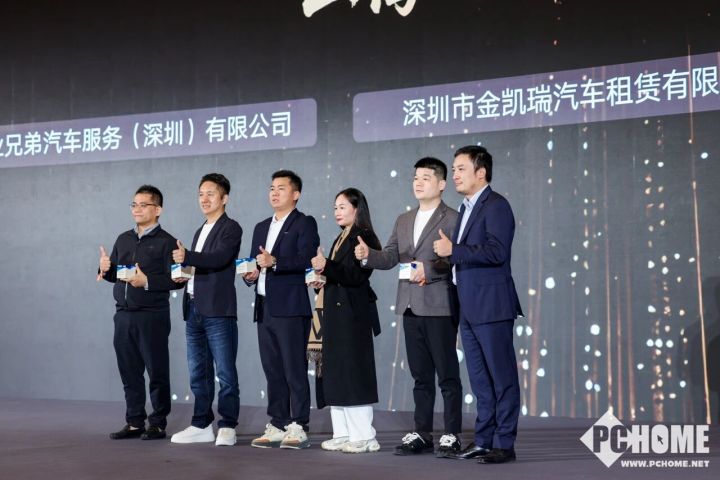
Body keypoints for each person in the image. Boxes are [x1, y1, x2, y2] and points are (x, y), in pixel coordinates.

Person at [354, 158, 462, 457]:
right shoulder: (404, 219)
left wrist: (431, 269)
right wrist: (367, 255)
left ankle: (452, 433)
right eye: (416, 177)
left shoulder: (453, 218)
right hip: (410, 305)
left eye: (426, 177)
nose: (418, 182)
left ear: (442, 184)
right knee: (420, 375)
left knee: (447, 375)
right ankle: (423, 432)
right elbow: (390, 256)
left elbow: (457, 260)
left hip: (439, 305)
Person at [433, 145, 523, 464]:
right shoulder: (466, 207)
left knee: (502, 378)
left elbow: (497, 252)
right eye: (454, 169)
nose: (455, 174)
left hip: (492, 305)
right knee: (480, 381)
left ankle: (504, 443)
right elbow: (466, 255)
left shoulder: (496, 205)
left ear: (481, 172)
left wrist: (453, 251)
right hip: (469, 307)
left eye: (461, 169)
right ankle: (484, 439)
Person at [243, 170, 319, 449]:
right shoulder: (261, 226)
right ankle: (278, 422)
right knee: (272, 369)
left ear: (296, 194)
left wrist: (274, 262)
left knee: (294, 368)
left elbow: (307, 259)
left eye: (281, 188)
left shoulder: (304, 223)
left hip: (290, 307)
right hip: (265, 306)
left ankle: (299, 424)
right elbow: (255, 262)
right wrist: (250, 274)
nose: (274, 193)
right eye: (271, 188)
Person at [98, 185, 181, 441]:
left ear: (158, 210)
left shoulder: (168, 242)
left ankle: (157, 423)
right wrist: (104, 268)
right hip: (123, 315)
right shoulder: (123, 238)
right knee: (129, 371)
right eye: (134, 204)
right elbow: (115, 275)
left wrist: (147, 282)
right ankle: (134, 421)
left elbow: (178, 280)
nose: (137, 209)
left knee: (157, 371)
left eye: (143, 205)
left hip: (152, 315)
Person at [169, 173, 243, 446]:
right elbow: (199, 265)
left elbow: (219, 258)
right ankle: (201, 424)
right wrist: (183, 273)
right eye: (201, 194)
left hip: (218, 310)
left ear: (224, 198)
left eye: (210, 193)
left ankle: (228, 425)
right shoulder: (200, 230)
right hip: (194, 308)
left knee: (225, 372)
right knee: (198, 372)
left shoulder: (231, 228)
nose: (204, 199)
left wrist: (187, 256)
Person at [310, 188, 382, 454]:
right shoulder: (341, 236)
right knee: (337, 372)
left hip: (352, 314)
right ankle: (342, 433)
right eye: (335, 207)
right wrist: (323, 277)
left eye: (342, 207)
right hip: (336, 313)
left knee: (353, 372)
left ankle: (364, 435)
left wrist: (327, 266)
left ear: (356, 208)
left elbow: (356, 275)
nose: (337, 212)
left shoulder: (364, 236)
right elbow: (339, 274)